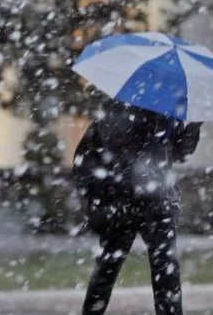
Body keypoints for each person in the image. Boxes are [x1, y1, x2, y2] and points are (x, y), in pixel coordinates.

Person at [74, 98, 202, 315]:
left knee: (167, 269)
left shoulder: (168, 111)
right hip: (122, 200)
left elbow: (180, 154)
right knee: (109, 265)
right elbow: (101, 153)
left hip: (156, 200)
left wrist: (194, 126)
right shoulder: (119, 110)